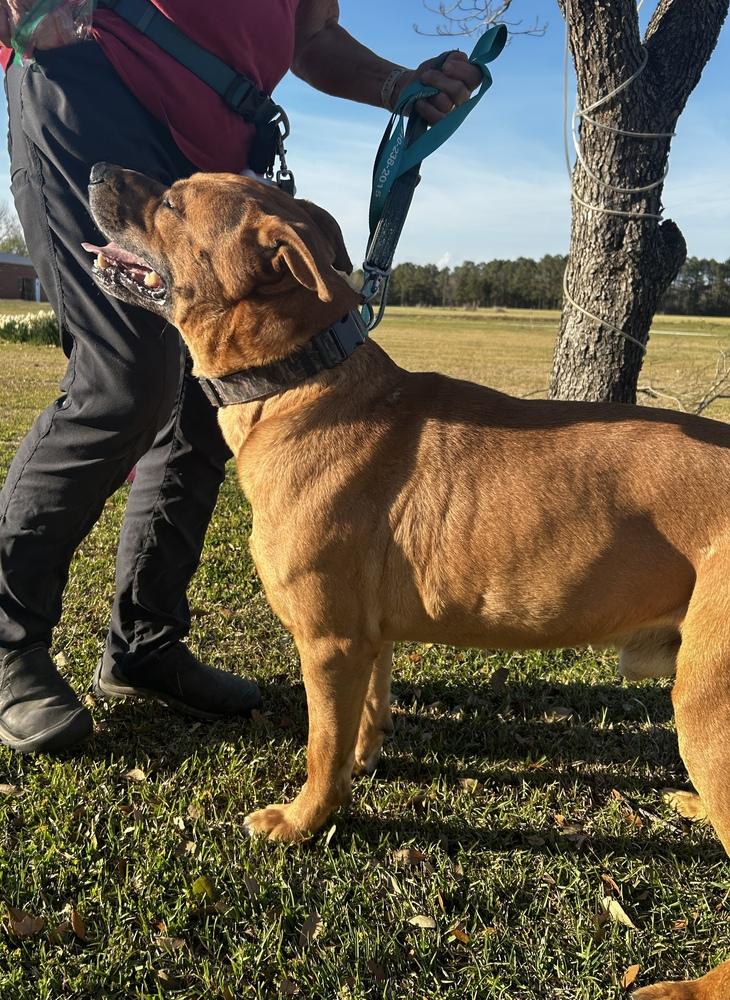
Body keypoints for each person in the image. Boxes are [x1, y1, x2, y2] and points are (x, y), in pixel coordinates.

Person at [0, 0, 482, 754]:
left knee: (210, 395)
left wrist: (397, 84)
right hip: (93, 78)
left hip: (212, 144)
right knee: (124, 379)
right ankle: (7, 647)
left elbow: (312, 37)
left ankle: (145, 644)